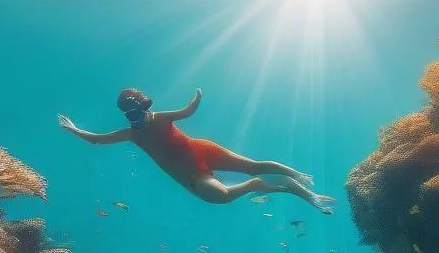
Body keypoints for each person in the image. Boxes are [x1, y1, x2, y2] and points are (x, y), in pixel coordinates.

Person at [59, 88, 335, 212]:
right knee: (221, 197)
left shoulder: (159, 118)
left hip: (201, 150)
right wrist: (75, 130)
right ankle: (266, 186)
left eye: (142, 110)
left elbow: (187, 111)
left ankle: (299, 177)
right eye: (134, 114)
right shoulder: (132, 135)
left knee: (252, 163)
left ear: (145, 107)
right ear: (128, 115)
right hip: (190, 174)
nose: (141, 117)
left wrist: (196, 99)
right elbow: (97, 139)